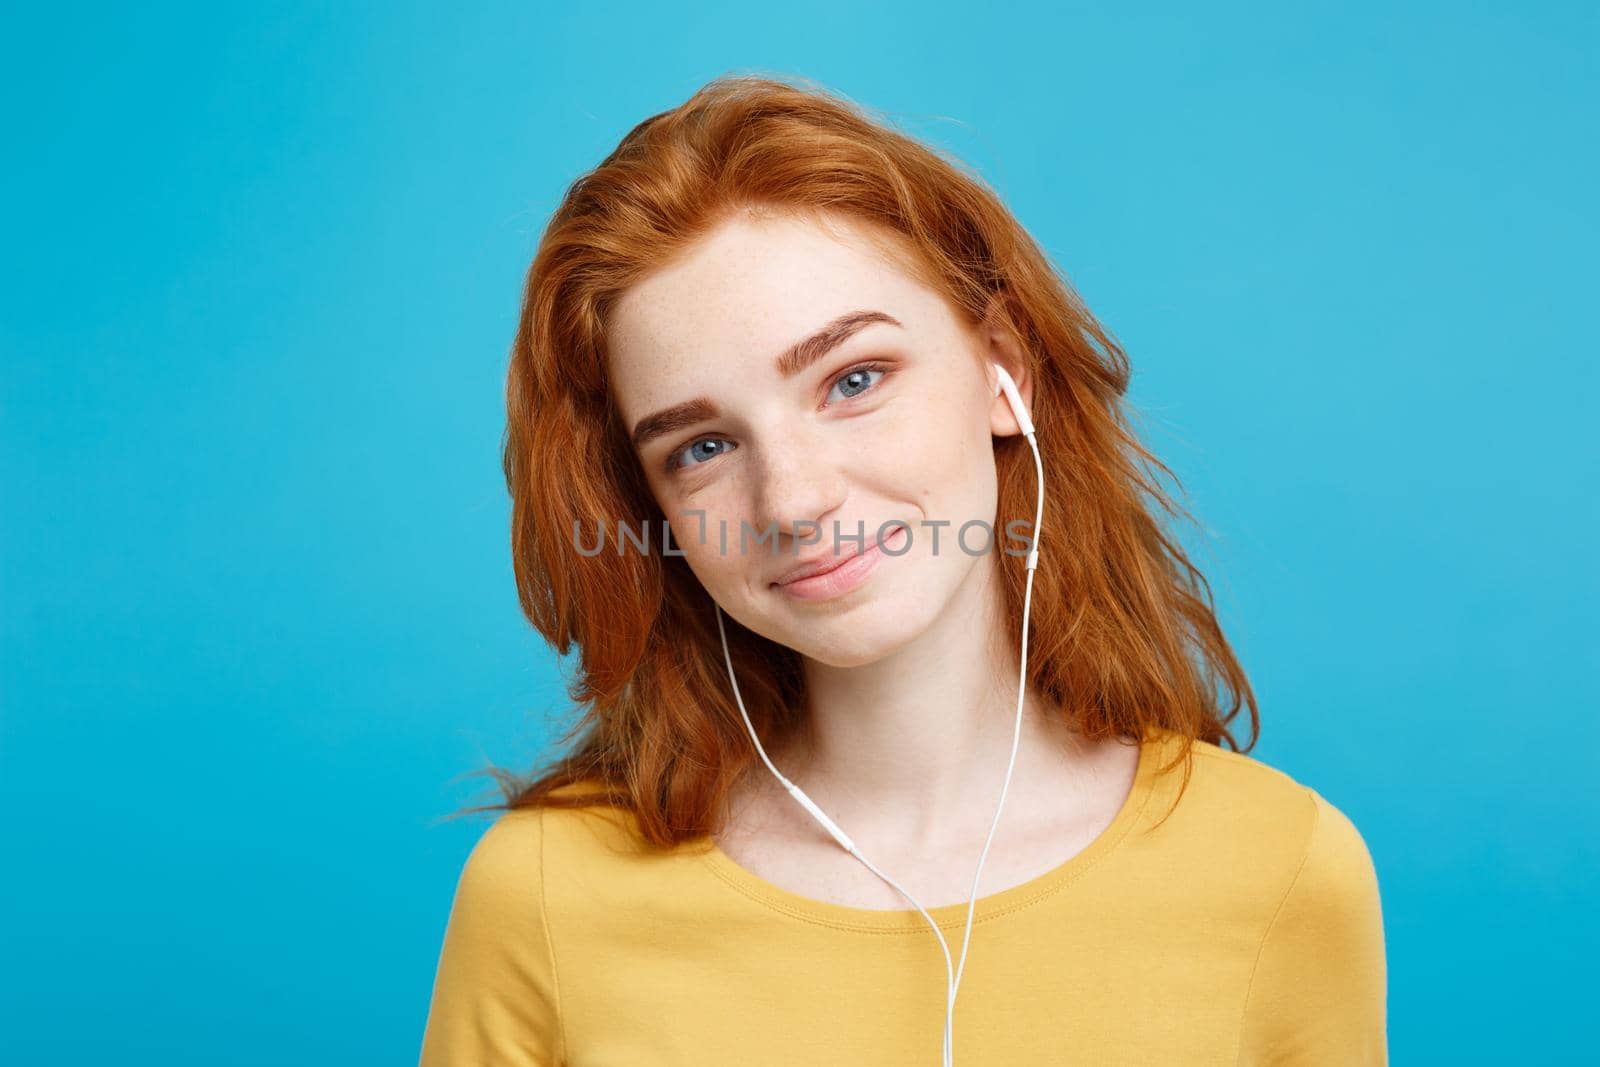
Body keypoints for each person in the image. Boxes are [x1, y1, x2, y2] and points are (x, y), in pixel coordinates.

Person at [417, 73, 1387, 1065]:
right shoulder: (540, 894)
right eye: (700, 447)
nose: (793, 502)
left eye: (853, 379)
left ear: (1002, 367)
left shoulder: (1281, 869)